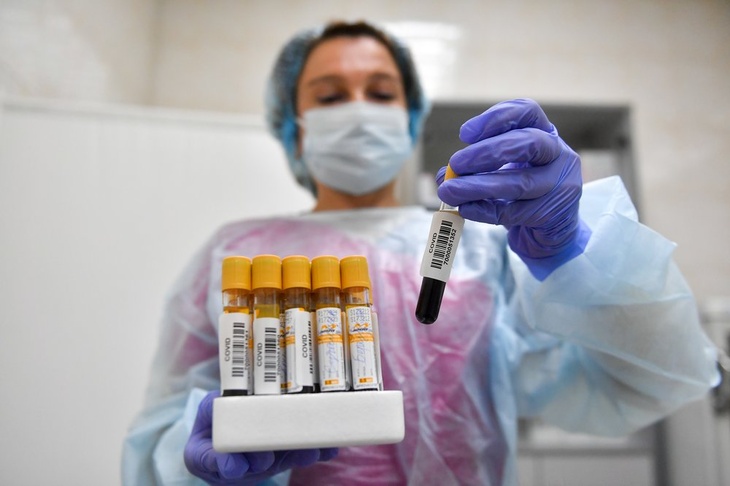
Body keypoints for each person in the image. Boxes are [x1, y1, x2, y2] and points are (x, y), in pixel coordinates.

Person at [122, 20, 719, 485]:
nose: (358, 109)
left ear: (410, 117)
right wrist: (194, 451)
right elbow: (158, 441)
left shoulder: (484, 251)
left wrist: (569, 256)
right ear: (292, 124)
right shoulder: (236, 255)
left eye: (381, 92)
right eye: (330, 96)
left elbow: (648, 384)